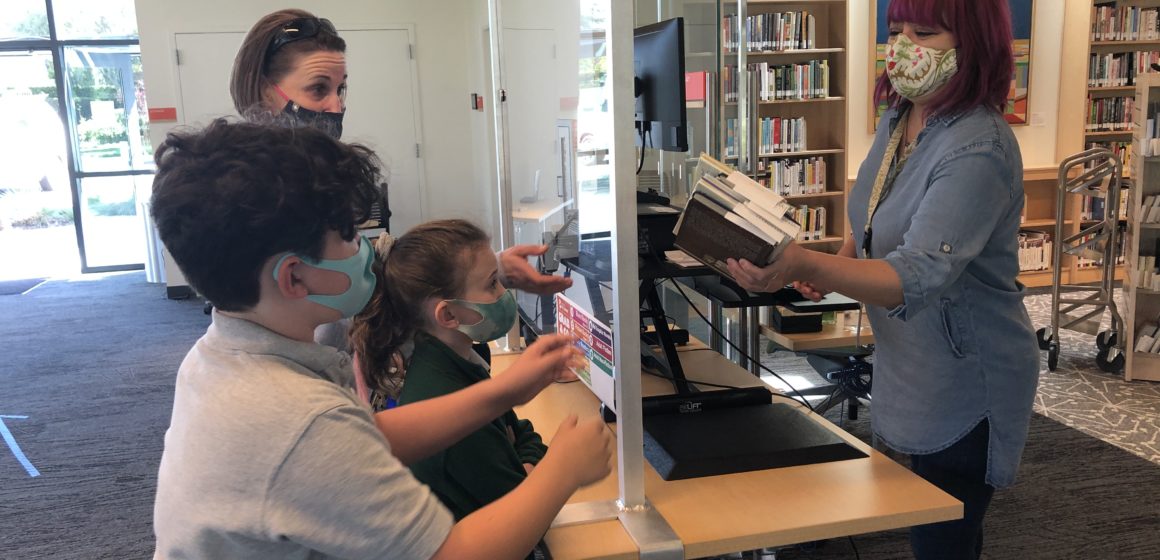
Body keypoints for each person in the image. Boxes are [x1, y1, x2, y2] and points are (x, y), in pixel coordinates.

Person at [150, 118, 613, 559]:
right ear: (293, 278)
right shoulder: (299, 419)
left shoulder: (218, 358)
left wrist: (504, 391)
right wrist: (562, 470)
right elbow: (453, 554)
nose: (366, 251)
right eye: (350, 237)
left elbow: (362, 438)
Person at [725, 1, 1038, 558]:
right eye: (895, 31)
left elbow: (916, 273)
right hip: (911, 363)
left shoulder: (980, 146)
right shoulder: (901, 118)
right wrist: (832, 263)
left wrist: (806, 263)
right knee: (939, 527)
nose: (903, 46)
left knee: (944, 534)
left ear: (972, 41)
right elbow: (872, 218)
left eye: (925, 31)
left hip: (967, 377)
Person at [229, 8, 572, 351]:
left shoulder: (317, 175)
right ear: (265, 91)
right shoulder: (251, 197)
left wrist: (487, 272)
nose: (336, 106)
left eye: (341, 89)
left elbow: (364, 268)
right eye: (318, 89)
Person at [351, 220, 548, 526]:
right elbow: (528, 508)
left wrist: (524, 457)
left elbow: (521, 432)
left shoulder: (459, 359)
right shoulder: (447, 397)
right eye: (492, 283)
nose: (504, 291)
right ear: (448, 315)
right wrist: (541, 462)